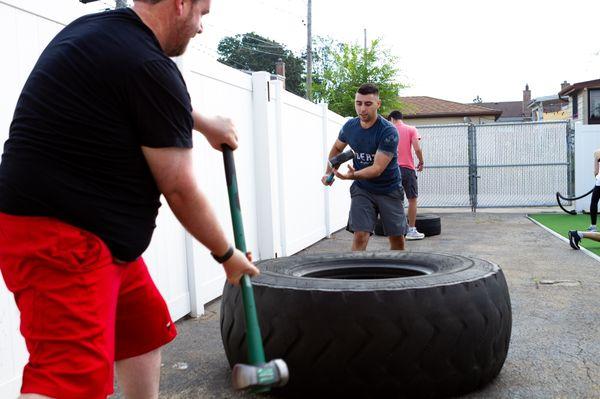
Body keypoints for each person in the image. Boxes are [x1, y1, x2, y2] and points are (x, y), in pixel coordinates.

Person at [0, 1, 259, 398]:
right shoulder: (148, 64)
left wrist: (203, 122)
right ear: (181, 4)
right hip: (63, 239)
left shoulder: (99, 33)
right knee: (68, 378)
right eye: (202, 14)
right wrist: (227, 255)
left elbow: (137, 90)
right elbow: (180, 189)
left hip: (100, 235)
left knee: (141, 327)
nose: (201, 27)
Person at [321, 83, 407, 251]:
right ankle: (355, 276)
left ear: (378, 104)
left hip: (388, 189)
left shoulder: (388, 131)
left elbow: (377, 169)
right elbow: (337, 148)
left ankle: (397, 275)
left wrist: (351, 176)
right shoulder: (350, 127)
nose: (362, 109)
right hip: (363, 189)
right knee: (360, 236)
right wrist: (328, 173)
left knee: (397, 239)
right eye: (358, 103)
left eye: (368, 104)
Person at [387, 110, 425, 240]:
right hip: (407, 169)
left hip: (391, 170)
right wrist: (421, 161)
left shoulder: (387, 130)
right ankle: (411, 230)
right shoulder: (411, 129)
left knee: (394, 200)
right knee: (412, 199)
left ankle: (395, 231)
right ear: (401, 118)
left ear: (391, 119)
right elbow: (417, 148)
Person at [568, 148, 600, 249]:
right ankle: (580, 233)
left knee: (594, 202)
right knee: (594, 202)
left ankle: (580, 233)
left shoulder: (597, 153)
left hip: (599, 182)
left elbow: (595, 172)